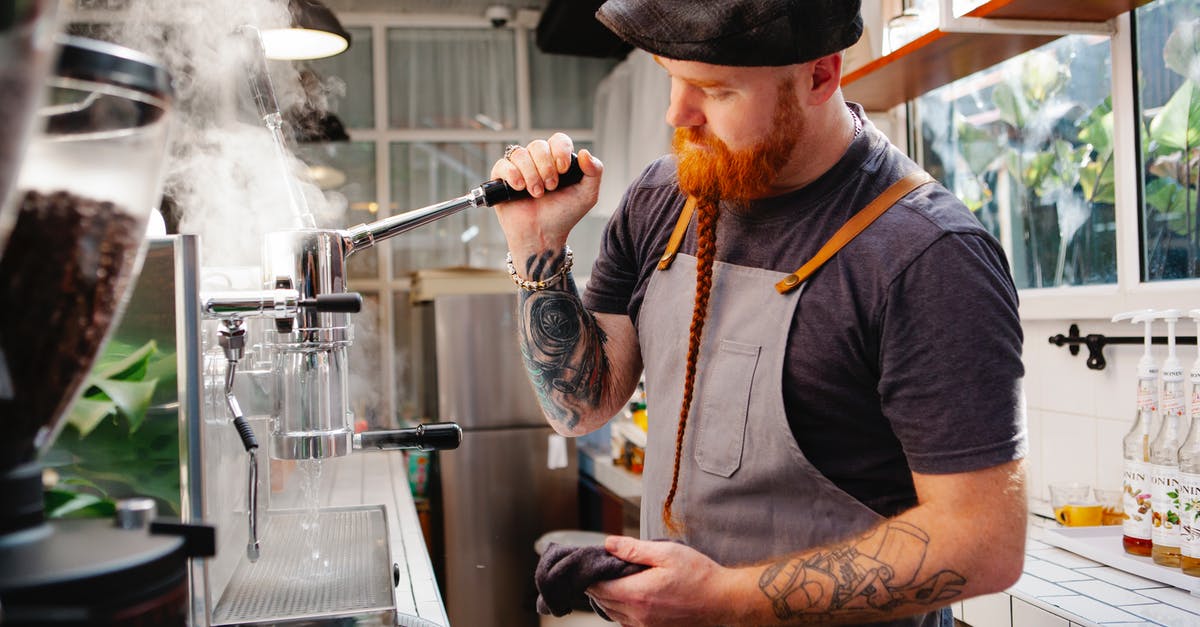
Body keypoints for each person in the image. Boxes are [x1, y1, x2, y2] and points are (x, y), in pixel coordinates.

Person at [490, 1, 1027, 625]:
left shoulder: (927, 254)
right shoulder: (662, 200)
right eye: (672, 76)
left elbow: (984, 545)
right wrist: (538, 248)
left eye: (715, 91)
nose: (677, 113)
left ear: (820, 76)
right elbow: (579, 408)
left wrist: (721, 601)